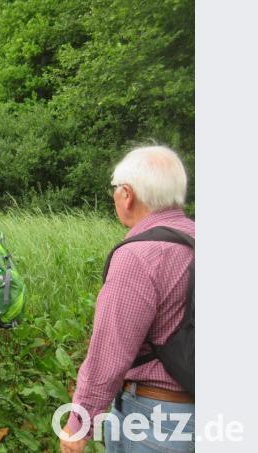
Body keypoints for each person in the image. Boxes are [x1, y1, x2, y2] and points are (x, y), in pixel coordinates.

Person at [60, 146, 195, 453]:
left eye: (115, 190)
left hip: (154, 420)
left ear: (127, 195)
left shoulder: (138, 256)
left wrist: (80, 423)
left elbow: (109, 352)